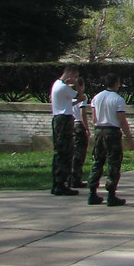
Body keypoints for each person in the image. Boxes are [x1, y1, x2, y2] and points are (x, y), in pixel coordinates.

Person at [87, 73, 134, 207]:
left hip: (99, 130)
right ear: (116, 83)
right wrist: (129, 138)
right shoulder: (118, 99)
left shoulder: (96, 98)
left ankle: (92, 192)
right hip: (112, 131)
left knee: (97, 161)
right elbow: (122, 120)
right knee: (113, 163)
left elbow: (94, 118)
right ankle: (111, 194)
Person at [50, 65, 80, 196]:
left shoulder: (57, 85)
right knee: (65, 152)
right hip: (64, 120)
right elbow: (81, 96)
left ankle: (57, 183)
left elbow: (68, 103)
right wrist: (77, 84)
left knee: (59, 152)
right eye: (75, 76)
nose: (75, 79)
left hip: (59, 117)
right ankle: (61, 183)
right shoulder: (63, 87)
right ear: (71, 74)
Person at [69, 77, 90, 189]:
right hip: (78, 125)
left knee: (71, 152)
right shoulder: (82, 98)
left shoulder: (68, 96)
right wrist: (86, 128)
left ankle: (69, 177)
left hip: (70, 124)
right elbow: (83, 113)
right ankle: (76, 178)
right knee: (79, 153)